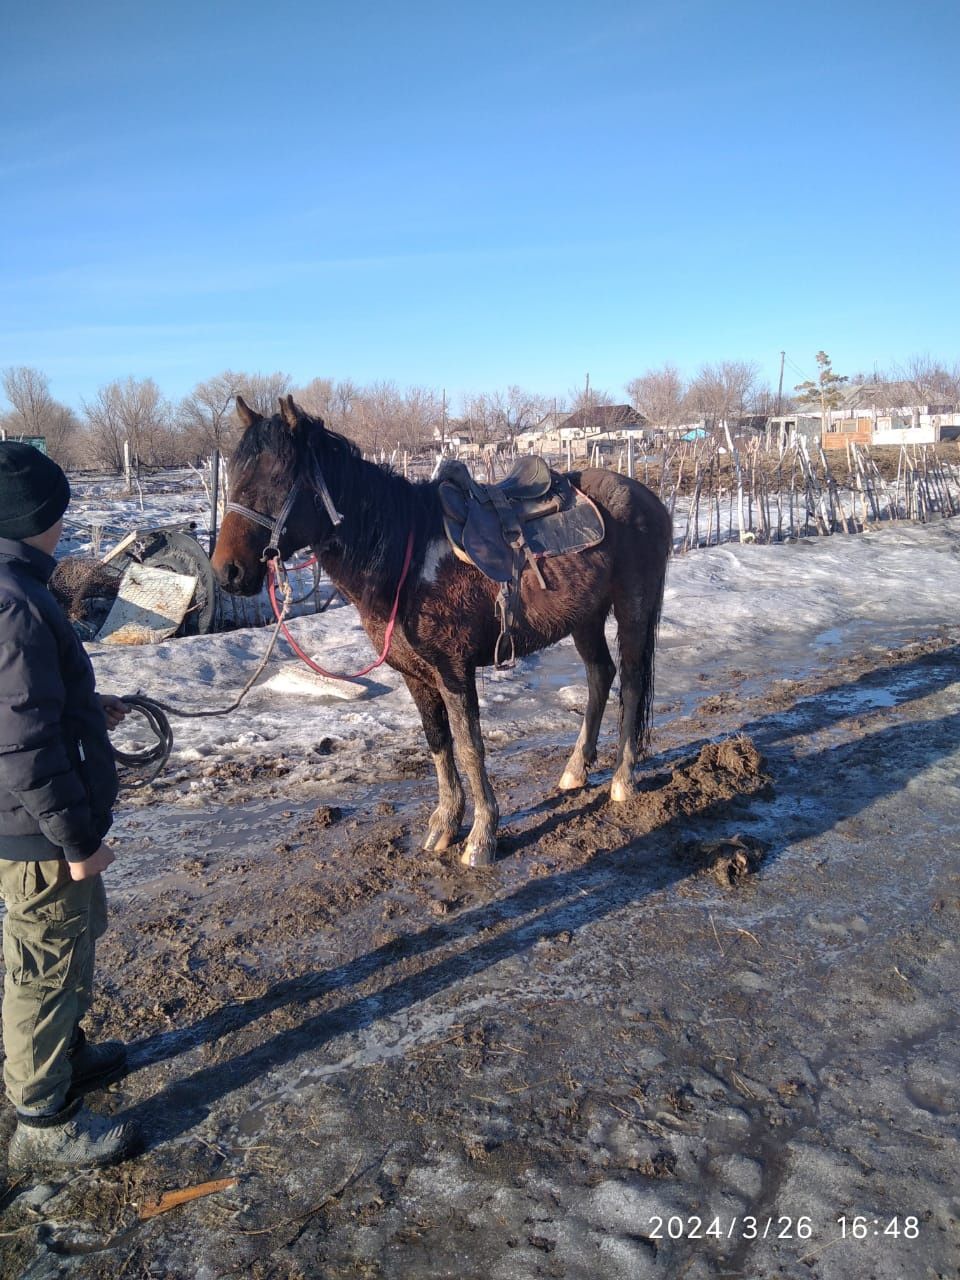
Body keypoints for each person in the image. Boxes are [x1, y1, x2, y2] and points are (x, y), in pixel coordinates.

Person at [0, 442, 138, 1170]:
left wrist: (89, 706)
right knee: (44, 960)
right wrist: (78, 840)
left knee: (73, 936)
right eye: (60, 513)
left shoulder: (14, 587)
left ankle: (66, 1054)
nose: (67, 527)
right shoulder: (15, 603)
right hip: (40, 830)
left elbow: (27, 709)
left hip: (36, 822)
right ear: (36, 518)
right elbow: (21, 745)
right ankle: (43, 1121)